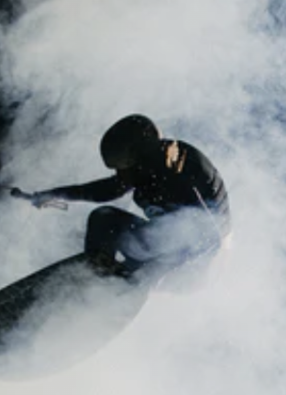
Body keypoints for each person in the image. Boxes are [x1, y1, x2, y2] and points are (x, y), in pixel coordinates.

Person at [23, 114, 229, 278]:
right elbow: (107, 190)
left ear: (139, 158)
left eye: (122, 168)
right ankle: (108, 274)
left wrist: (162, 275)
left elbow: (210, 237)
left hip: (190, 263)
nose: (119, 174)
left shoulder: (178, 173)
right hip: (167, 249)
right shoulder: (151, 166)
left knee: (104, 219)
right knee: (103, 223)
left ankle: (107, 279)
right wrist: (53, 194)